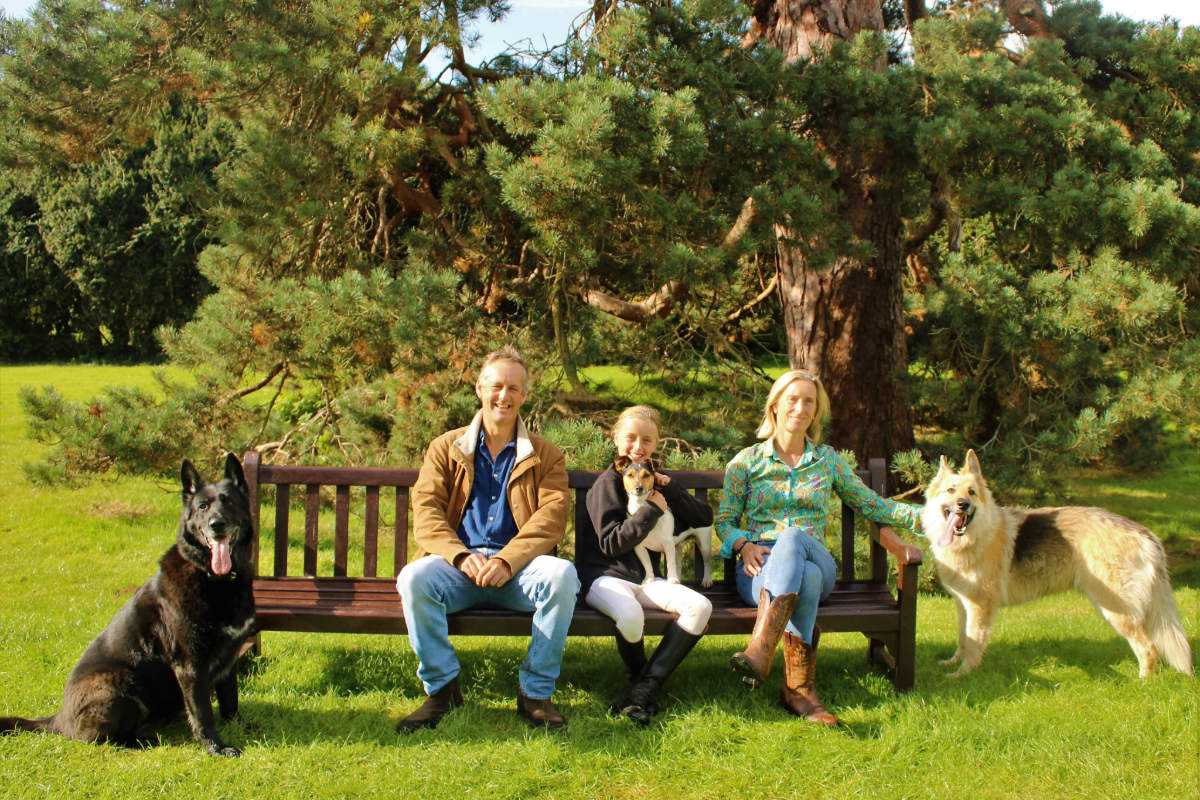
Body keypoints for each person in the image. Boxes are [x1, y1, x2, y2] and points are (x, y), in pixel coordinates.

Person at [716, 370, 922, 727]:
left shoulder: (827, 461)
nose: (800, 406)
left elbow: (873, 506)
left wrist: (932, 517)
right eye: (792, 399)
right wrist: (742, 543)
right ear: (775, 406)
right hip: (759, 567)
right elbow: (725, 521)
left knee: (794, 538)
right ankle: (798, 690)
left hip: (815, 556)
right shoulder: (746, 461)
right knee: (805, 578)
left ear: (816, 411)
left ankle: (762, 648)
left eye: (808, 401)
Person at [395, 346, 579, 733]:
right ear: (480, 388)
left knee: (562, 575)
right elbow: (426, 513)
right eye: (496, 386)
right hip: (458, 570)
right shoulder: (446, 448)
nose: (504, 396)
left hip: (518, 572)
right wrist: (461, 557)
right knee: (413, 578)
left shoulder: (545, 455)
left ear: (524, 396)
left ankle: (536, 693)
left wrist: (508, 560)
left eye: (514, 388)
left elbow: (551, 519)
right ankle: (442, 690)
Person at [577, 406, 713, 725]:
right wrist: (651, 509)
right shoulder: (607, 485)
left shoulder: (653, 481)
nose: (638, 445)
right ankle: (642, 685)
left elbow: (703, 518)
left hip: (648, 582)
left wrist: (671, 489)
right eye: (631, 437)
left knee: (701, 607)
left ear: (655, 444)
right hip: (605, 579)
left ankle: (641, 690)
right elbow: (611, 544)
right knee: (629, 613)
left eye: (647, 440)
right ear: (616, 439)